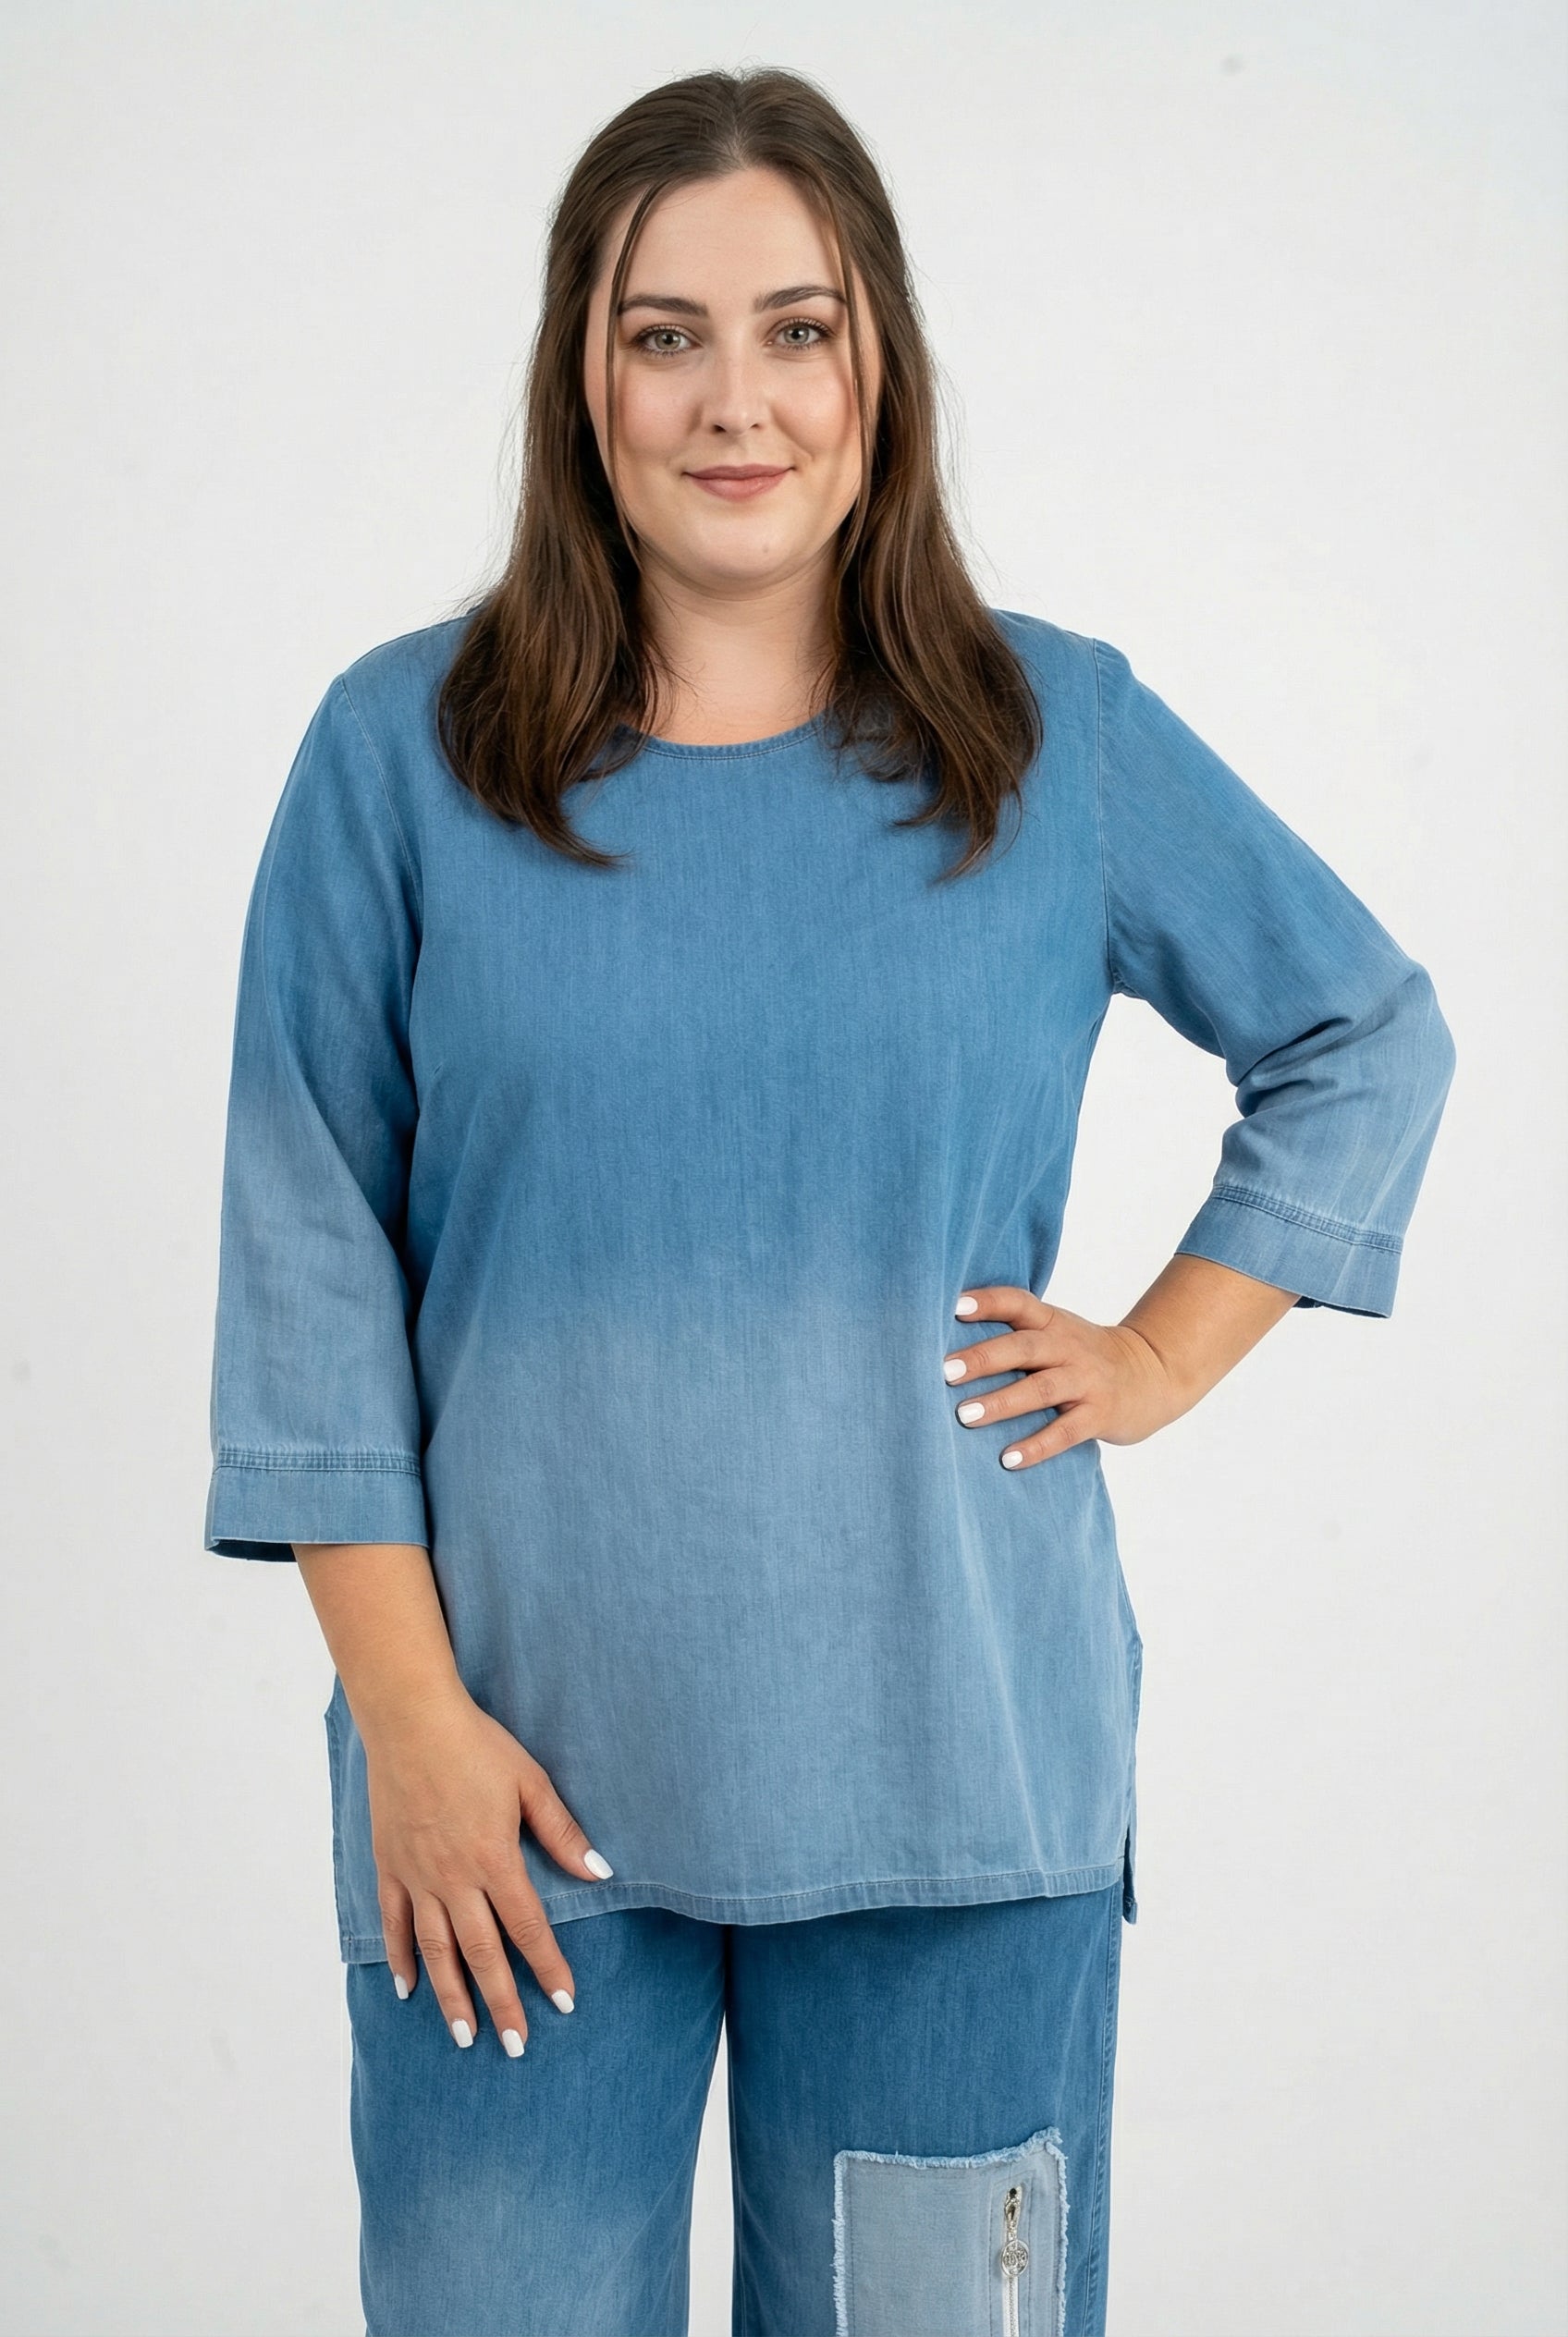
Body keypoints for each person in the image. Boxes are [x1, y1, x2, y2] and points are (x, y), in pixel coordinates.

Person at [202, 63, 1455, 2337]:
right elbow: (305, 1257)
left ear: (877, 361)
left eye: (796, 329)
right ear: (580, 379)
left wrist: (1160, 1352)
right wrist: (406, 1727)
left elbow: (1359, 1032)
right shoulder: (401, 755)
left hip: (951, 1787)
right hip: (507, 1808)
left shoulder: (1049, 735)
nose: (735, 401)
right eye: (662, 334)